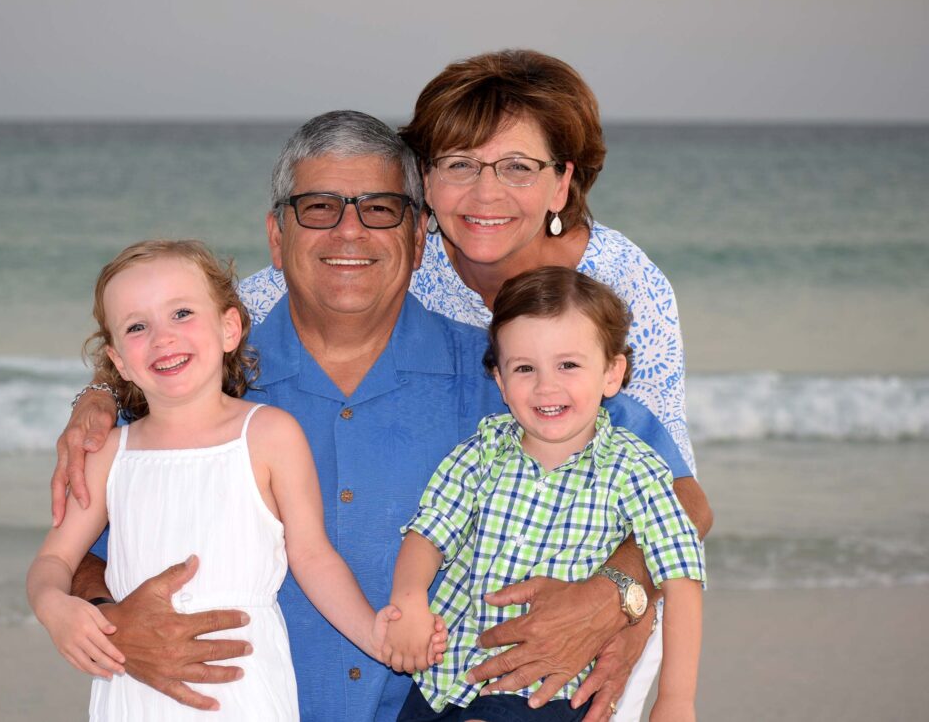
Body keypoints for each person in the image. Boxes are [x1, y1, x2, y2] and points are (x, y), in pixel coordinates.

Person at [51, 111, 711, 722]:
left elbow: (679, 501)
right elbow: (83, 553)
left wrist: (618, 600)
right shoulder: (193, 390)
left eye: (380, 209)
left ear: (420, 236)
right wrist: (114, 623)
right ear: (276, 238)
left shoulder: (507, 376)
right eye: (319, 207)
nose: (349, 231)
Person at [28, 240, 438, 720]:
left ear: (229, 328)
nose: (162, 338)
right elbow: (54, 559)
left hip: (243, 681)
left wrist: (374, 635)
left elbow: (311, 555)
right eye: (137, 327)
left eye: (181, 314)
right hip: (134, 689)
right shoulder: (110, 454)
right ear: (118, 361)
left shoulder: (269, 434)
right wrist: (56, 609)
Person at [382, 267, 705, 722]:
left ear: (612, 373)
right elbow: (431, 530)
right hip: (446, 678)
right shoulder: (483, 450)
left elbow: (682, 577)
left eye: (568, 365)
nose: (546, 386)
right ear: (500, 380)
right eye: (525, 368)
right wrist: (410, 599)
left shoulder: (635, 469)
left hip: (544, 690)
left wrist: (675, 699)